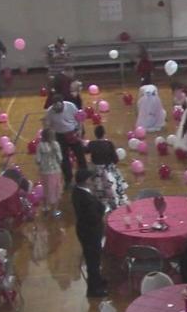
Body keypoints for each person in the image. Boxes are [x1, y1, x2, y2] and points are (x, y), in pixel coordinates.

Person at [72, 169, 107, 297]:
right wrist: (101, 208)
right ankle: (94, 289)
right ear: (87, 181)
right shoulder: (85, 197)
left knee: (94, 259)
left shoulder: (77, 191)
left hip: (85, 230)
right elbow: (94, 216)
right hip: (90, 232)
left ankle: (97, 280)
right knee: (93, 260)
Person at [44, 94, 87, 189]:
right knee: (64, 159)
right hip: (60, 136)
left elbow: (79, 118)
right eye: (55, 107)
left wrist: (79, 130)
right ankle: (68, 179)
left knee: (80, 154)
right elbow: (47, 125)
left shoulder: (71, 106)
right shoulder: (50, 112)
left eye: (58, 107)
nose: (56, 109)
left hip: (73, 133)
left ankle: (84, 176)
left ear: (62, 103)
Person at [84, 125, 128, 209]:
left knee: (97, 189)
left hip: (96, 171)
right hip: (108, 170)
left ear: (95, 134)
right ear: (104, 134)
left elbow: (85, 151)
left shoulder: (91, 144)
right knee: (113, 187)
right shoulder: (109, 144)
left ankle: (100, 204)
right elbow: (115, 159)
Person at [36, 128, 64, 217]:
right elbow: (60, 158)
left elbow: (38, 160)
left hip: (44, 171)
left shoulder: (40, 145)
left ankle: (45, 206)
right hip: (55, 170)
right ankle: (55, 211)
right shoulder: (56, 144)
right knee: (56, 189)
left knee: (46, 188)